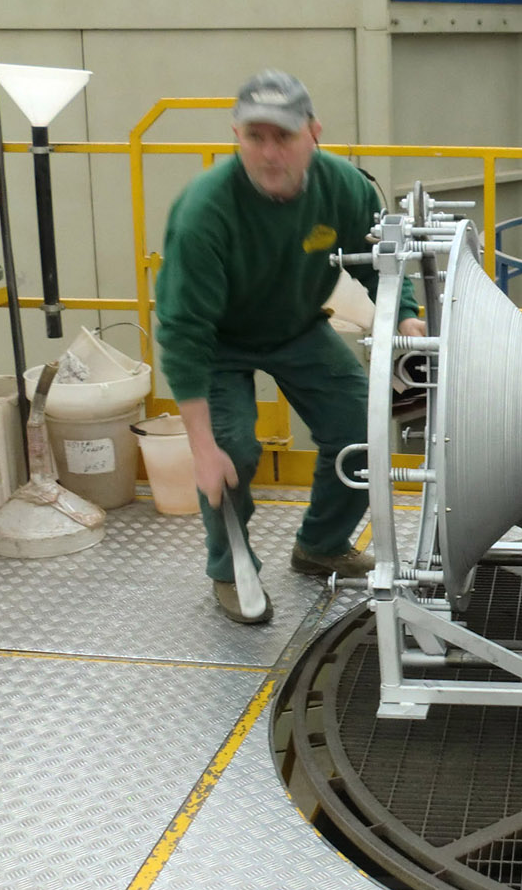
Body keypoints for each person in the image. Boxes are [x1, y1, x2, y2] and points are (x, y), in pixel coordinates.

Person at [155, 69, 426, 624]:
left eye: (284, 136)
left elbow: (383, 262)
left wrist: (406, 316)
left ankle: (321, 545)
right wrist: (202, 449)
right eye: (255, 137)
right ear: (236, 136)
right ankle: (230, 568)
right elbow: (184, 334)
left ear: (314, 133)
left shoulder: (343, 188)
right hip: (220, 343)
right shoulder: (204, 211)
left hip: (298, 326)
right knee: (231, 451)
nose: (270, 152)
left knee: (363, 427)